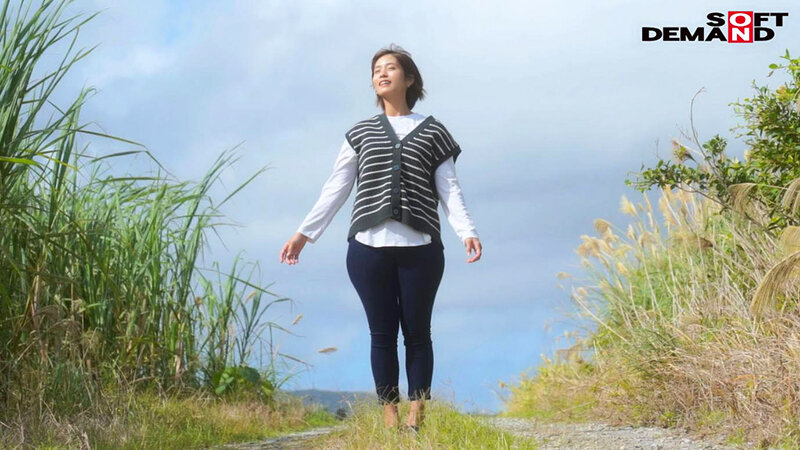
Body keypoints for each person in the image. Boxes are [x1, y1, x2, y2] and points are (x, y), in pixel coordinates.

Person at [279, 43, 482, 432]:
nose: (382, 74)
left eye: (390, 68)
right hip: (368, 250)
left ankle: (416, 417)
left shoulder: (434, 132)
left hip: (421, 250)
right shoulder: (360, 133)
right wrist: (304, 234)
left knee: (418, 334)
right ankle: (390, 419)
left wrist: (466, 231)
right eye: (376, 70)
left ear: (410, 79)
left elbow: (449, 189)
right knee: (382, 335)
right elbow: (336, 188)